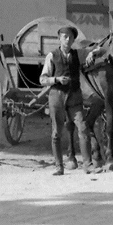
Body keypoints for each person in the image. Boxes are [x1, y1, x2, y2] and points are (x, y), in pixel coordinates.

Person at [39, 24, 89, 175]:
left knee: (83, 127)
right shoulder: (52, 56)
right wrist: (57, 79)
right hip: (57, 96)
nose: (68, 40)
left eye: (71, 37)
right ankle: (59, 166)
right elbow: (42, 79)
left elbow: (95, 53)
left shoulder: (78, 54)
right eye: (65, 37)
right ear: (59, 39)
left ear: (73, 40)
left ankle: (88, 165)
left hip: (74, 96)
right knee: (57, 132)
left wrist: (96, 52)